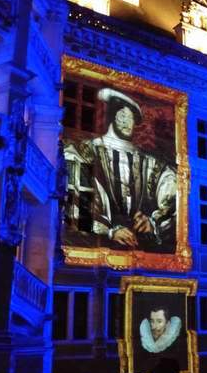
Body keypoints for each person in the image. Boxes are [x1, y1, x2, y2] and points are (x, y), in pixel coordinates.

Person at [71, 87, 177, 252]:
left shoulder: (149, 162)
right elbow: (78, 199)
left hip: (143, 248)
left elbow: (174, 193)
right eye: (123, 116)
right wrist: (109, 231)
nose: (128, 122)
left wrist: (153, 222)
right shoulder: (85, 151)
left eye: (131, 118)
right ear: (112, 116)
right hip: (98, 248)